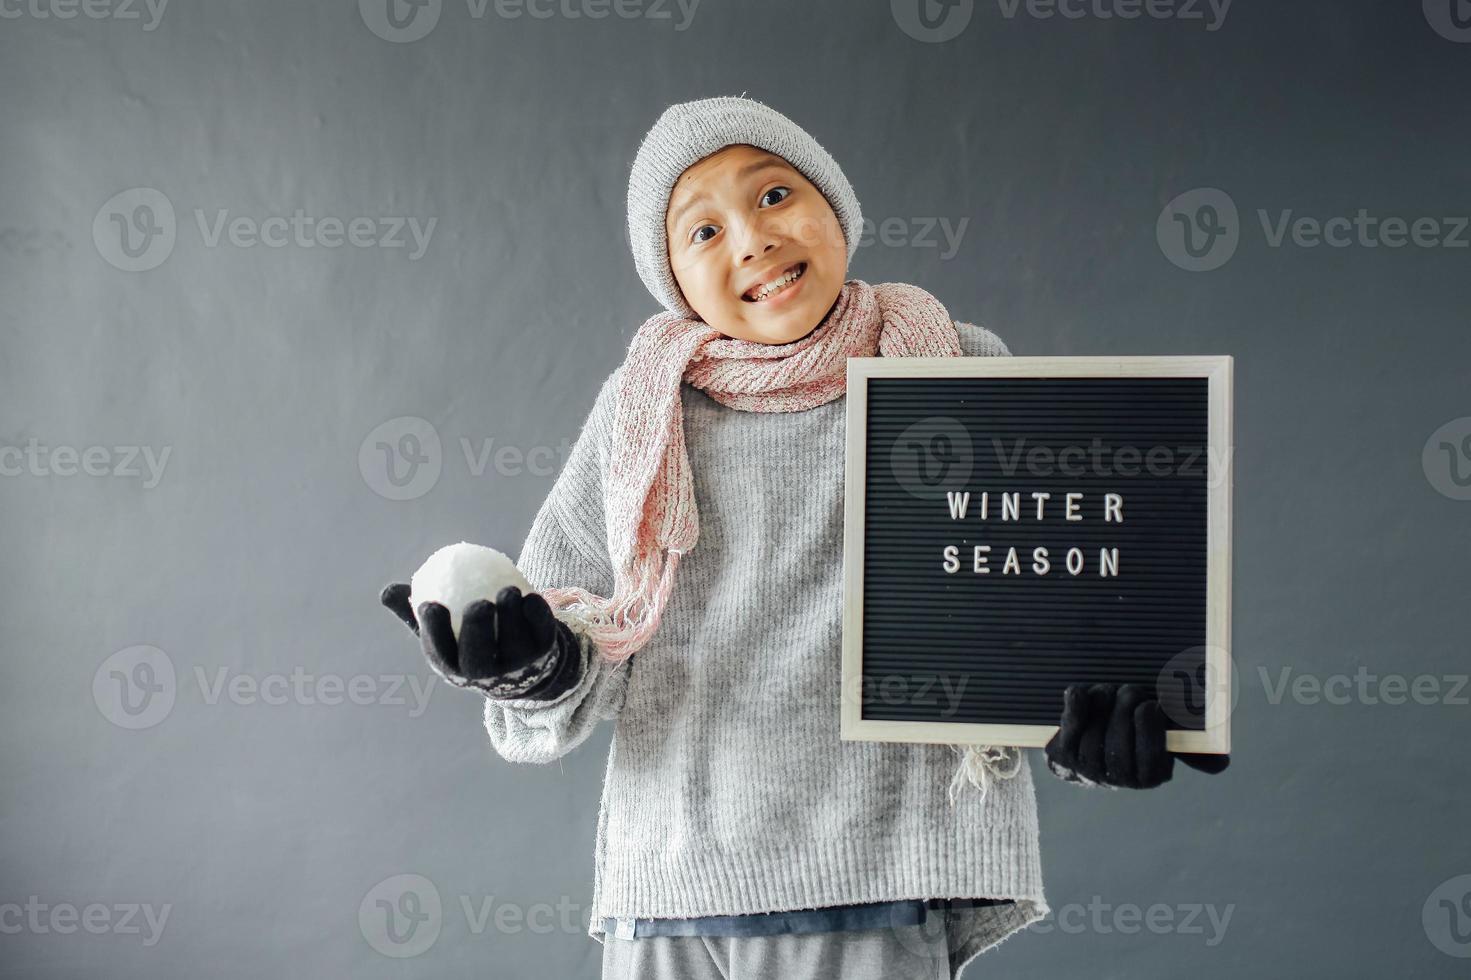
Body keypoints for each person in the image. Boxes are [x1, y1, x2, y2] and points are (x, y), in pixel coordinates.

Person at [381, 95, 1227, 980]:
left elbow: (1040, 591)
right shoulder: (641, 411)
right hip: (671, 885)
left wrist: (1128, 710)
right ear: (671, 278)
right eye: (701, 231)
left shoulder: (951, 366)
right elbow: (578, 631)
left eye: (775, 195)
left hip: (875, 875)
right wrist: (531, 665)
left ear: (836, 209)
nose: (750, 238)